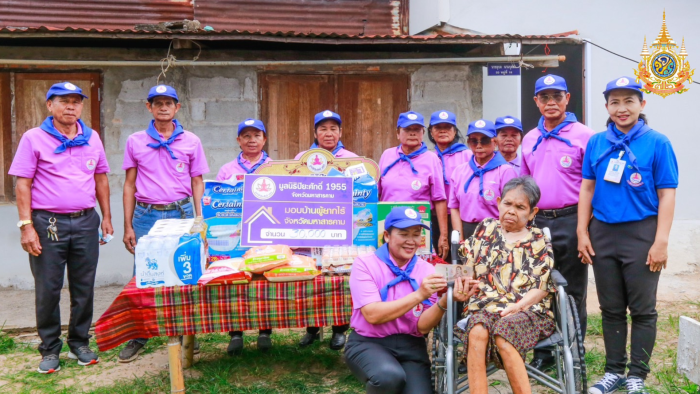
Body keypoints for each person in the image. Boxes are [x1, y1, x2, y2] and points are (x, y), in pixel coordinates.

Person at [578, 77, 678, 394]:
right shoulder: (596, 142)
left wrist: (661, 240)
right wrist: (583, 230)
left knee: (643, 309)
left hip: (642, 232)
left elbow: (667, 194)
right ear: (607, 107)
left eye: (629, 101)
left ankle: (637, 375)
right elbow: (587, 187)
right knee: (610, 308)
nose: (622, 109)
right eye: (615, 102)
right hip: (603, 232)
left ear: (642, 105)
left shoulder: (658, 142)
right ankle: (613, 372)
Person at [9, 82, 113, 373]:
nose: (71, 106)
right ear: (49, 105)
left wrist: (106, 216)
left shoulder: (92, 138)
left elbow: (101, 178)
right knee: (48, 288)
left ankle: (79, 342)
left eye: (76, 102)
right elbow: (23, 184)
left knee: (84, 287)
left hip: (85, 220)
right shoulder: (34, 138)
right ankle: (50, 348)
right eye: (64, 101)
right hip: (48, 222)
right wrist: (27, 226)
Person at [119, 84, 209, 363]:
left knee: (183, 271)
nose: (163, 107)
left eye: (168, 102)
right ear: (149, 107)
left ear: (177, 107)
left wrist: (199, 219)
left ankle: (184, 332)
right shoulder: (135, 140)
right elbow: (129, 184)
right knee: (143, 275)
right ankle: (140, 333)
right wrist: (128, 226)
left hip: (181, 212)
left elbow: (197, 182)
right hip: (146, 215)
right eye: (157, 103)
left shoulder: (191, 140)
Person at [345, 207, 477, 394]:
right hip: (369, 342)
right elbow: (372, 315)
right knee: (389, 377)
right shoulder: (365, 264)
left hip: (411, 346)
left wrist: (446, 300)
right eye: (403, 234)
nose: (411, 241)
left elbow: (422, 327)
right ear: (387, 236)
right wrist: (419, 295)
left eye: (416, 234)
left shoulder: (426, 270)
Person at [521, 74, 595, 371]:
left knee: (573, 289)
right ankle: (544, 353)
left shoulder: (585, 135)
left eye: (557, 96)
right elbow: (524, 186)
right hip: (538, 223)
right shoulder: (529, 138)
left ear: (567, 99)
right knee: (538, 287)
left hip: (572, 219)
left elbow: (593, 185)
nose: (551, 102)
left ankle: (573, 352)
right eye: (544, 97)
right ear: (536, 102)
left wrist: (584, 227)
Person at [457, 176, 555, 394]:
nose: (511, 211)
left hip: (527, 309)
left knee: (504, 331)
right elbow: (467, 265)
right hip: (484, 306)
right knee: (477, 330)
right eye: (507, 204)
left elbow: (542, 285)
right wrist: (462, 280)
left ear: (532, 213)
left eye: (520, 207)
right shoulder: (485, 228)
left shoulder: (538, 239)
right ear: (499, 202)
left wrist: (518, 307)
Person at [297, 110, 357, 350]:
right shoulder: (302, 158)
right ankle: (312, 327)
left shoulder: (352, 160)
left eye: (333, 128)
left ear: (340, 132)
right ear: (315, 133)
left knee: (339, 277)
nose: (328, 133)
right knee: (312, 277)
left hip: (340, 227)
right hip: (310, 227)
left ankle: (339, 330)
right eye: (323, 129)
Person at [216, 118, 274, 355]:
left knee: (264, 281)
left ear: (264, 139)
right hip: (235, 234)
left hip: (266, 231)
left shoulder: (275, 167)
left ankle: (264, 331)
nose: (252, 140)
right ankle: (236, 333)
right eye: (246, 136)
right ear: (238, 140)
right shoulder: (227, 170)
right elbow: (218, 203)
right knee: (236, 280)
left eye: (256, 136)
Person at [378, 111, 449, 260]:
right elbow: (377, 193)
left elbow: (439, 198)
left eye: (416, 130)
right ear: (398, 133)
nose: (412, 133)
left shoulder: (431, 159)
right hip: (387, 226)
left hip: (417, 229)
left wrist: (443, 235)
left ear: (423, 132)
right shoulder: (387, 155)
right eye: (407, 130)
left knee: (418, 271)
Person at [449, 119, 517, 240]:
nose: (479, 146)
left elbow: (511, 208)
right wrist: (460, 238)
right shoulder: (459, 171)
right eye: (474, 141)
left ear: (494, 142)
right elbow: (454, 207)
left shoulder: (505, 171)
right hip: (467, 229)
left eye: (484, 141)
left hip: (496, 232)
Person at [428, 110, 472, 259]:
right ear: (431, 132)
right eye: (437, 127)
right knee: (437, 258)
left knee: (459, 257)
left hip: (458, 216)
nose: (442, 131)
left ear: (455, 131)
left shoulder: (467, 155)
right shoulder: (429, 157)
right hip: (434, 217)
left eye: (447, 127)